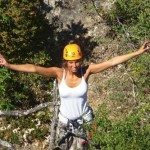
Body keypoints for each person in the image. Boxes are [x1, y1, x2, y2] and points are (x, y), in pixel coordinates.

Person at [0, 41, 150, 148]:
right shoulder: (59, 74)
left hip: (85, 121)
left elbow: (112, 62)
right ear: (65, 61)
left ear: (81, 60)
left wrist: (138, 52)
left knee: (90, 147)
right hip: (65, 122)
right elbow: (33, 68)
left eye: (77, 61)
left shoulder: (86, 71)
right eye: (70, 62)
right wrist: (9, 65)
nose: (74, 65)